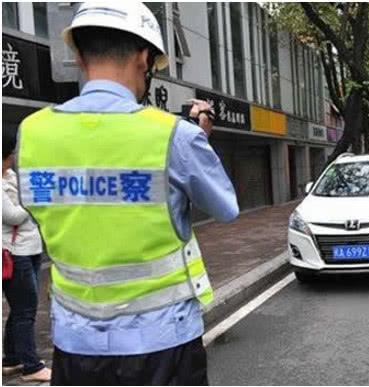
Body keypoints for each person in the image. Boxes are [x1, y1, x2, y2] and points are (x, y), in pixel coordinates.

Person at [16, 2, 239, 385]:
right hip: (163, 342)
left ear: (79, 57)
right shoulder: (173, 135)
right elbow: (227, 208)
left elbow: (38, 210)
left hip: (75, 343)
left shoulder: (32, 132)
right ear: (143, 57)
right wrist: (197, 140)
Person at [2, 131, 52, 382]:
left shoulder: (10, 176)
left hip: (28, 248)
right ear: (8, 154)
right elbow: (11, 216)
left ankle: (11, 360)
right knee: (26, 311)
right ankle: (32, 366)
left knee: (20, 308)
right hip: (14, 253)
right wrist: (32, 201)